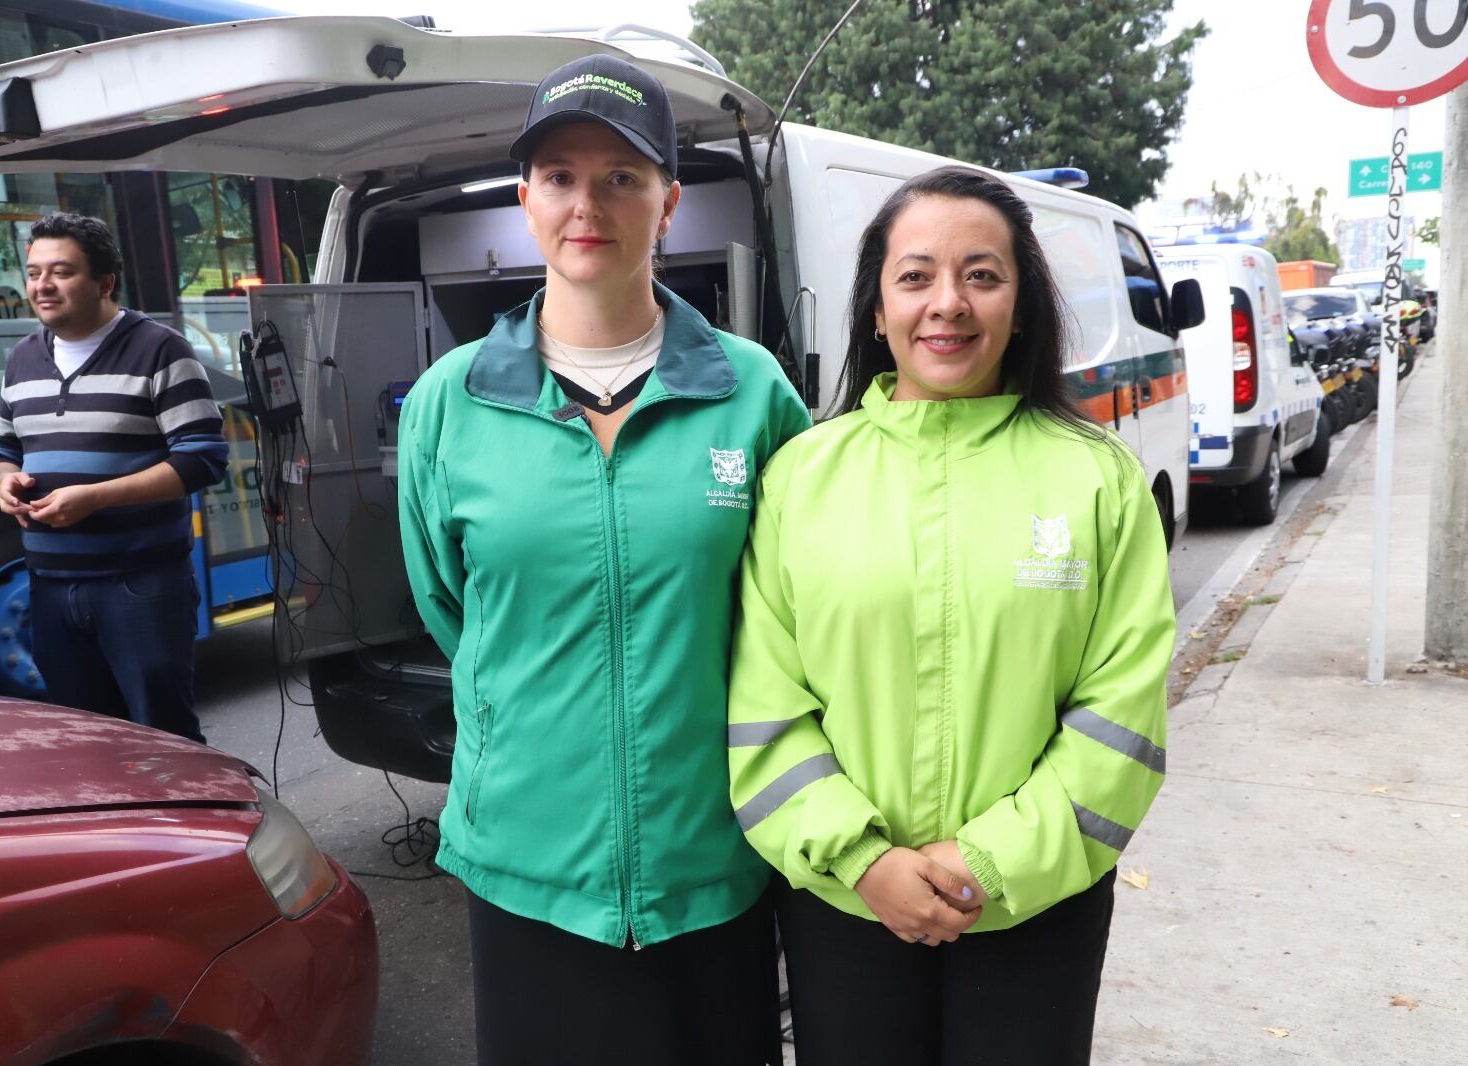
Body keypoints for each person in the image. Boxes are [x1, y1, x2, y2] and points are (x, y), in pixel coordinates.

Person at [398, 54, 811, 1066]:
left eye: (622, 177)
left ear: (668, 205)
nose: (590, 203)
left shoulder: (751, 395)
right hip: (527, 866)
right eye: (561, 176)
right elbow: (453, 606)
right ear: (525, 200)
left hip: (712, 858)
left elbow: (795, 615)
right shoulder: (449, 403)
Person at [727, 165, 1175, 1064]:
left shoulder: (1097, 477)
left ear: (1021, 304)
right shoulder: (801, 481)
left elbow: (1122, 711)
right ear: (877, 308)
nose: (949, 304)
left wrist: (995, 862)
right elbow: (765, 707)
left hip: (1039, 905)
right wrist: (866, 862)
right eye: (916, 275)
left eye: (982, 275)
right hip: (849, 906)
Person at [0, 213, 227, 742]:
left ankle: (185, 824)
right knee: (89, 740)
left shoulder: (160, 350)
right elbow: (1, 450)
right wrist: (4, 480)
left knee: (164, 736)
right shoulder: (22, 359)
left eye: (61, 272)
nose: (42, 286)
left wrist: (96, 498)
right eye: (33, 273)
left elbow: (203, 457)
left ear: (104, 281)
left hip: (141, 586)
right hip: (48, 585)